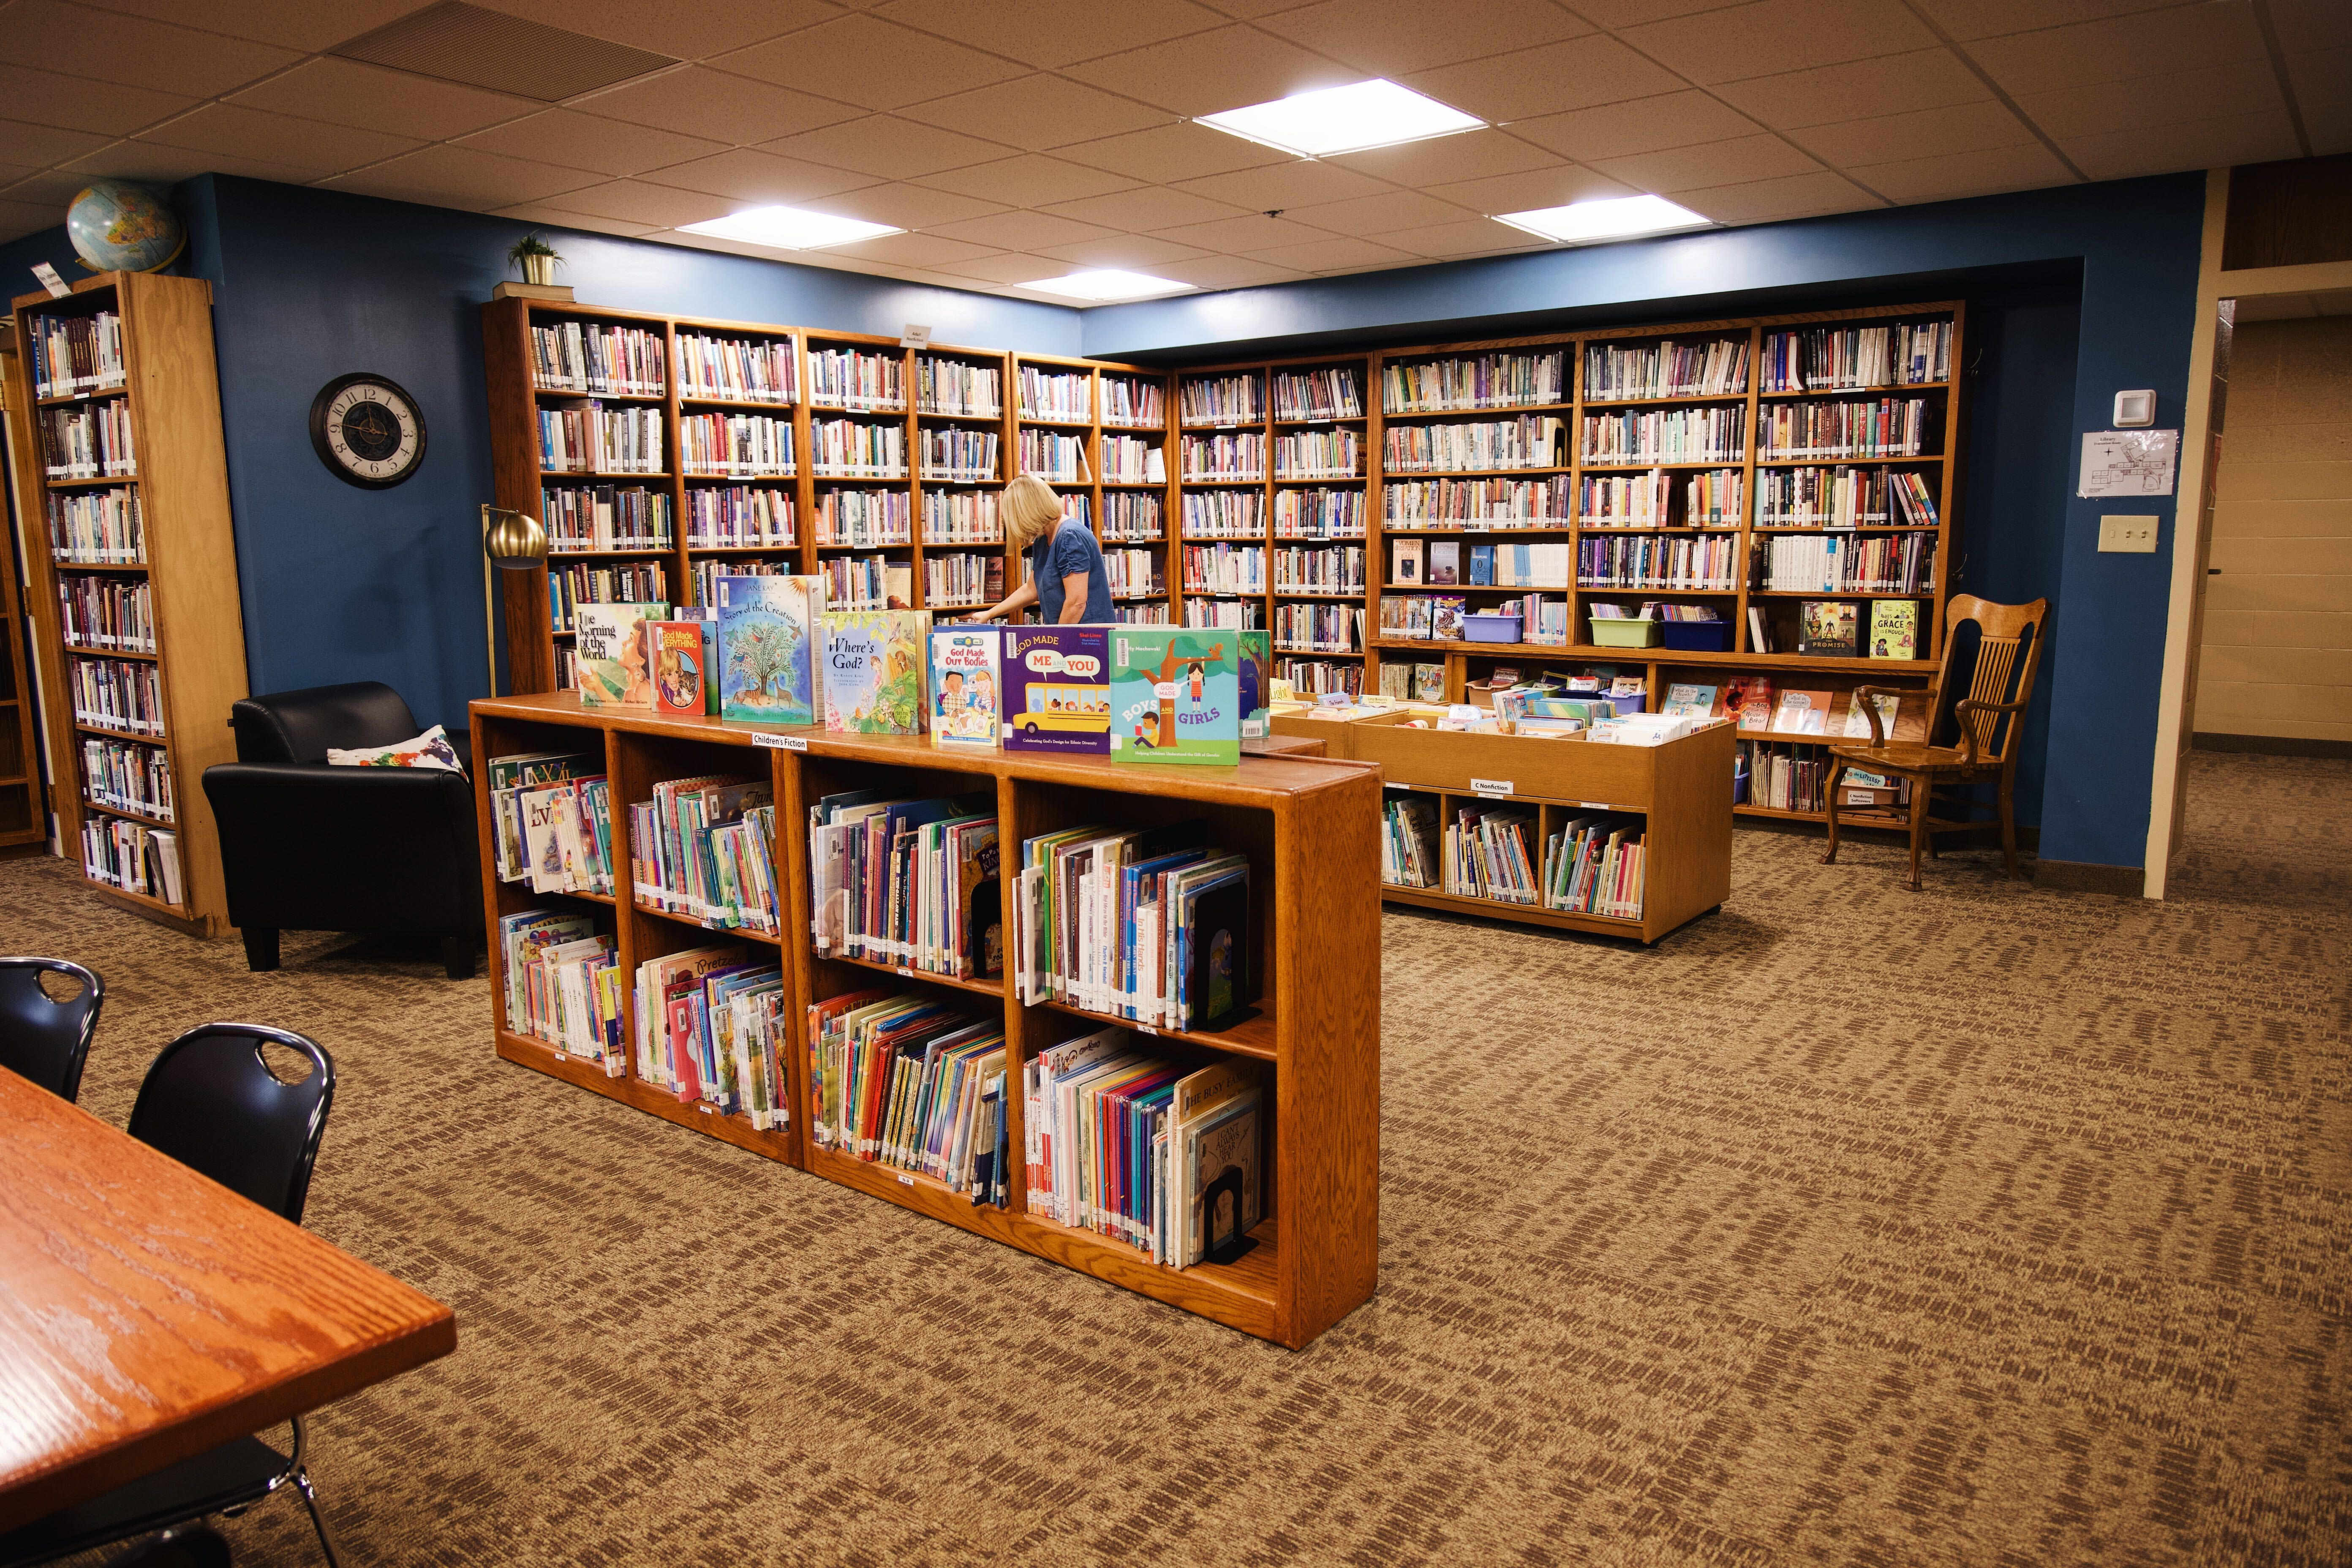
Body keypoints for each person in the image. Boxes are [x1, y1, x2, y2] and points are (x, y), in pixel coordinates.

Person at [972, 473, 1115, 626]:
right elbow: (1031, 589)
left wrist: (1057, 640)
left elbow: (1077, 602)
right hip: (1068, 633)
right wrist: (989, 614)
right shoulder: (1043, 539)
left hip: (1089, 637)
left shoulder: (1069, 536)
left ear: (1027, 513)